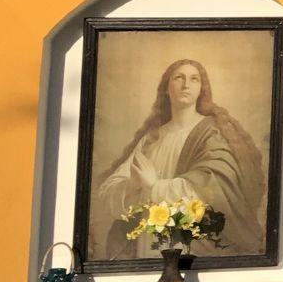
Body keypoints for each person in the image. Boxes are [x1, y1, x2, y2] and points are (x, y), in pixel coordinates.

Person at [91, 57, 267, 260]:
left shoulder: (212, 133)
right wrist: (133, 185)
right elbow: (108, 191)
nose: (186, 85)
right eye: (179, 78)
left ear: (202, 89)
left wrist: (154, 186)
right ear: (166, 88)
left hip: (195, 247)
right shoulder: (151, 139)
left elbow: (215, 191)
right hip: (149, 246)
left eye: (194, 79)